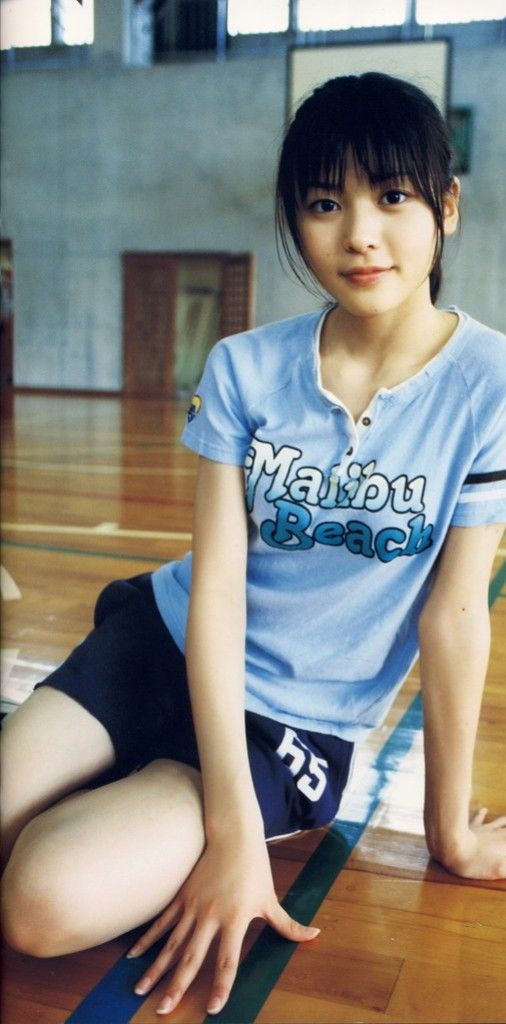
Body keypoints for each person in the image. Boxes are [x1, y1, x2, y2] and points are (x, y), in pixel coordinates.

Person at [2, 71, 506, 1018]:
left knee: (40, 905)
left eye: (393, 196)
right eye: (325, 203)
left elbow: (454, 616)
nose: (360, 233)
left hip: (290, 726)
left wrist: (450, 832)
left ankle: (157, 790)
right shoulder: (245, 367)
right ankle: (138, 783)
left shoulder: (490, 384)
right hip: (162, 643)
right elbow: (218, 592)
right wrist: (227, 834)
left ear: (447, 207)